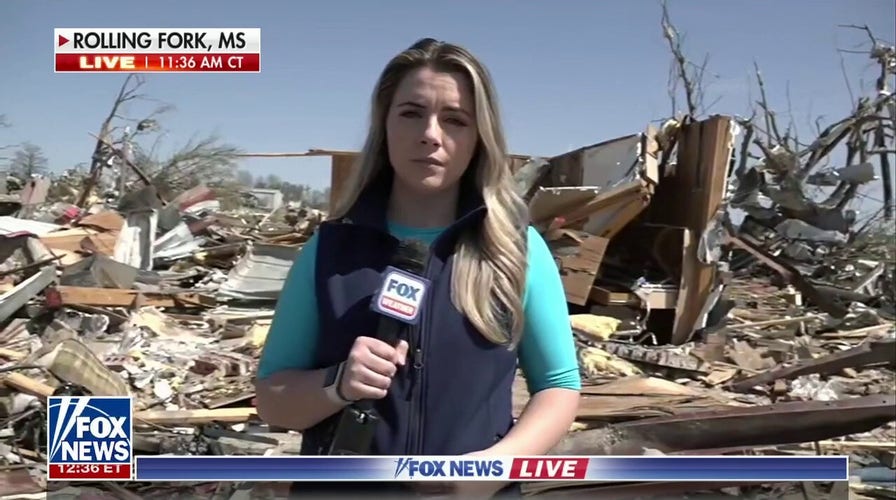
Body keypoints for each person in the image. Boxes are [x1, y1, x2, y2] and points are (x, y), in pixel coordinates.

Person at [254, 38, 581, 498]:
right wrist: (337, 383)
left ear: (478, 138)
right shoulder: (328, 252)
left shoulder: (516, 250)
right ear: (384, 126)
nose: (431, 133)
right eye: (411, 113)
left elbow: (559, 387)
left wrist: (493, 469)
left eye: (455, 119)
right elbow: (273, 402)